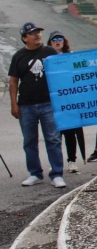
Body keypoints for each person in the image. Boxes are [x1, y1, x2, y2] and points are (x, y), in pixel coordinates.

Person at [9, 22, 65, 188]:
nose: (38, 35)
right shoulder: (18, 56)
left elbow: (62, 73)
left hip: (48, 103)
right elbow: (13, 81)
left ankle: (57, 174)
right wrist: (14, 104)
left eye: (39, 32)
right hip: (26, 105)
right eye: (33, 33)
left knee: (53, 139)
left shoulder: (49, 51)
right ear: (25, 38)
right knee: (29, 141)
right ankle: (35, 173)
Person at [47, 30, 83, 174]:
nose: (57, 41)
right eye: (54, 39)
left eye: (60, 38)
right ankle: (56, 162)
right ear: (50, 42)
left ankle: (72, 161)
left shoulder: (70, 56)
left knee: (70, 132)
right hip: (53, 102)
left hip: (69, 100)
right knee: (54, 135)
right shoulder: (46, 58)